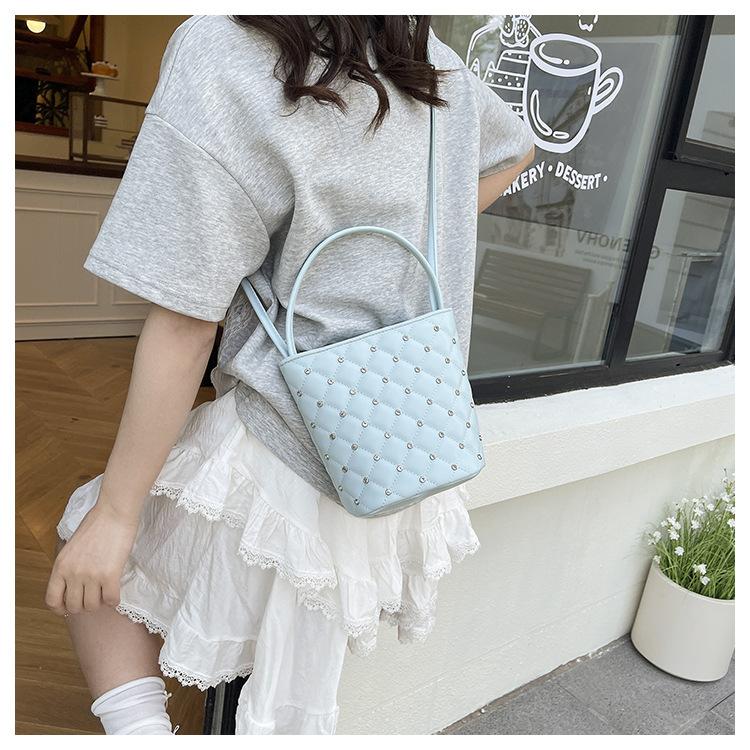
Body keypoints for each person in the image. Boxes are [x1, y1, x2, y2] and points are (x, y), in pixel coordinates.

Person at [45, 15, 535, 735]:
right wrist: (412, 235)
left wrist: (118, 516)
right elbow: (513, 151)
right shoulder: (425, 56)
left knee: (90, 543)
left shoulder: (228, 50)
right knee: (290, 694)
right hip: (401, 437)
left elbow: (185, 320)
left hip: (282, 436)